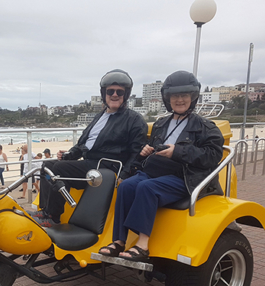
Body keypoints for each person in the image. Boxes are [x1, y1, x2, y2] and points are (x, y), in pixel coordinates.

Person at [99, 71, 224, 261]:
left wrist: (178, 151)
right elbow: (150, 152)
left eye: (184, 96)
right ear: (168, 99)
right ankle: (119, 241)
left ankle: (142, 244)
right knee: (125, 186)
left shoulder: (206, 127)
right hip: (155, 172)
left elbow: (213, 156)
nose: (179, 100)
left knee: (146, 187)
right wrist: (145, 152)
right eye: (175, 96)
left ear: (192, 97)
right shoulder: (161, 123)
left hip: (184, 177)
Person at [31, 69, 148, 227]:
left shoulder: (134, 120)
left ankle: (53, 215)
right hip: (90, 163)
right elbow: (83, 144)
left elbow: (136, 152)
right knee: (47, 166)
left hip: (106, 166)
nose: (114, 95)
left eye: (119, 92)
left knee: (58, 169)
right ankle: (45, 209)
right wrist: (70, 154)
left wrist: (125, 175)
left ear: (126, 95)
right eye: (110, 91)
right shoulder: (100, 116)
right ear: (104, 93)